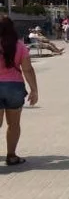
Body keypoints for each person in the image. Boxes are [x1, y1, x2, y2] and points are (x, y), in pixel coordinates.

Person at [0, 18, 39, 165]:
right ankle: (11, 155)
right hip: (14, 87)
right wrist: (34, 90)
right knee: (13, 124)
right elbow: (27, 69)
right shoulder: (20, 46)